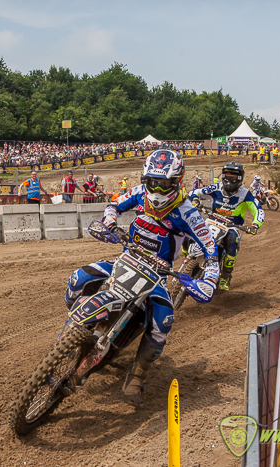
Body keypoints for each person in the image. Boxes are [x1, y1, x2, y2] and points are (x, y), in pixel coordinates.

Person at [65, 149, 219, 406]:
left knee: (163, 322)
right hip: (126, 260)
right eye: (152, 182)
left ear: (177, 182)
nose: (157, 189)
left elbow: (211, 248)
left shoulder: (187, 212)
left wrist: (210, 279)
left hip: (157, 275)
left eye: (164, 184)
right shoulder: (138, 193)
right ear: (145, 179)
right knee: (78, 279)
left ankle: (137, 375)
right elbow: (113, 204)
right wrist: (110, 222)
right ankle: (75, 329)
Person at [190, 162, 263, 291]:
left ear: (239, 178)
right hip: (212, 220)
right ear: (223, 176)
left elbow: (258, 210)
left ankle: (225, 275)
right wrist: (195, 200)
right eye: (227, 175)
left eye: (233, 176)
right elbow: (194, 192)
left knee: (232, 241)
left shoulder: (245, 194)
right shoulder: (216, 187)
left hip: (231, 225)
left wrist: (255, 225)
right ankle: (189, 260)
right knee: (190, 232)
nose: (229, 179)